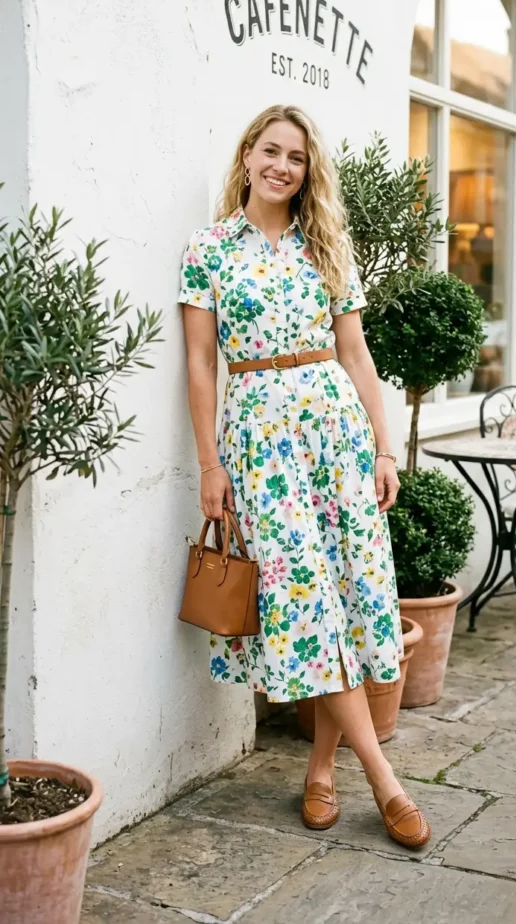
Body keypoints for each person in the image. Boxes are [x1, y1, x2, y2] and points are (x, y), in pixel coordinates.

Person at [178, 104, 430, 849]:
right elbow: (199, 363)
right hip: (259, 440)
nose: (282, 166)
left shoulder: (327, 247)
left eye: (296, 157)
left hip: (334, 431)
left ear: (306, 171)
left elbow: (356, 356)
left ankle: (322, 771)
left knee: (343, 592)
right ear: (248, 152)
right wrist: (208, 465)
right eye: (271, 150)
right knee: (302, 596)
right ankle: (384, 780)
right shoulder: (210, 247)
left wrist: (384, 448)